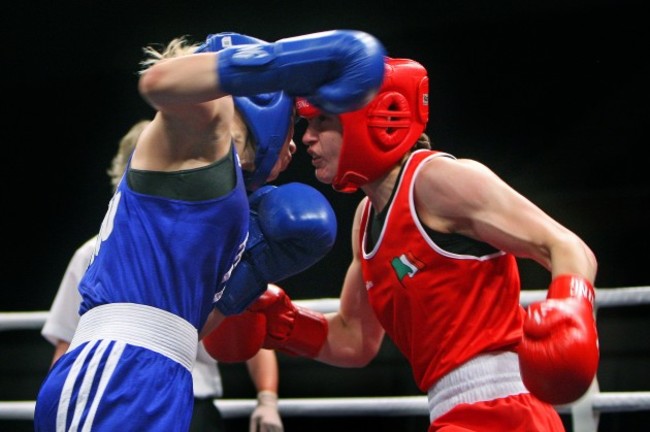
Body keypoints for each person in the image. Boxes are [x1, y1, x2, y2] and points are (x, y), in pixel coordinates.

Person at [209, 57, 600, 431]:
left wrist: (571, 309)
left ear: (368, 120)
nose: (307, 138)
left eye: (322, 121)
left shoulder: (437, 180)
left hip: (508, 409)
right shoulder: (365, 220)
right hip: (451, 411)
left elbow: (566, 247)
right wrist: (279, 321)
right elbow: (353, 339)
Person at [33, 29, 386, 431]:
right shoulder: (203, 129)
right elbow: (158, 81)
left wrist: (251, 274)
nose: (295, 144)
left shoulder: (235, 203)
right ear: (260, 106)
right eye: (292, 120)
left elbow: (191, 328)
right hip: (116, 365)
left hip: (168, 373)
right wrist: (285, 62)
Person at [41, 120, 284, 432]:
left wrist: (267, 398)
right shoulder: (92, 252)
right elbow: (66, 343)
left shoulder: (214, 244)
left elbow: (252, 321)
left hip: (185, 392)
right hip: (119, 376)